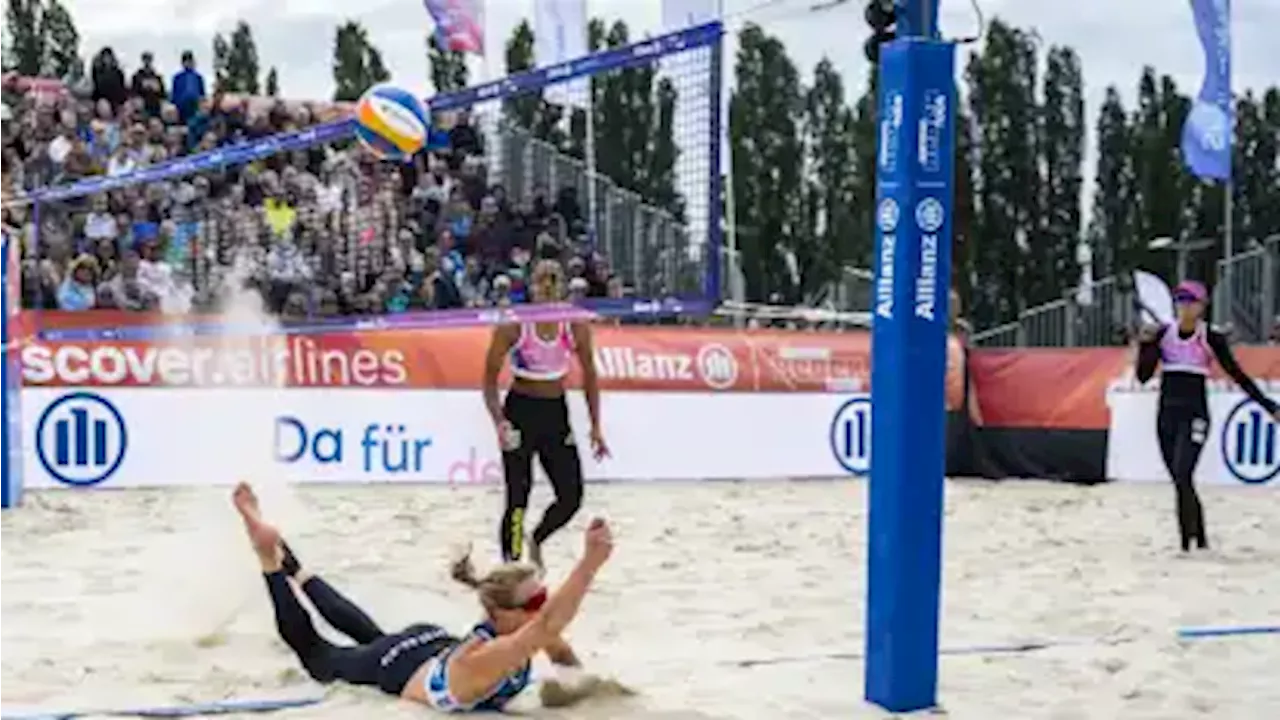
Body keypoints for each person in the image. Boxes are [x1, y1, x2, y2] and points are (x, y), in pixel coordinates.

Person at [231, 482, 612, 712]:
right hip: (400, 665)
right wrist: (590, 564)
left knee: (373, 638)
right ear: (499, 612)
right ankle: (270, 558)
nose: (540, 607)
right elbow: (549, 625)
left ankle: (292, 563)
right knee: (317, 653)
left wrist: (577, 691)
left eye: (542, 597)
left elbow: (560, 651)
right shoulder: (486, 660)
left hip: (427, 647)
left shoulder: (520, 629)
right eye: (531, 603)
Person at [1136, 280, 1280, 552]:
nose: (1184, 306)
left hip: (1196, 414)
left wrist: (1269, 406)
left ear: (1202, 306)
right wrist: (1146, 345)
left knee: (1183, 472)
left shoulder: (1210, 337)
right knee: (1180, 480)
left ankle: (1186, 545)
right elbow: (1143, 377)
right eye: (1180, 300)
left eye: (1190, 301)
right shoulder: (1163, 333)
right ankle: (1198, 539)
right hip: (1166, 414)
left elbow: (1238, 376)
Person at [483, 258, 608, 567]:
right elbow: (488, 380)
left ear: (562, 286)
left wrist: (596, 426)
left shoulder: (575, 324)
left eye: (554, 279)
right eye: (541, 280)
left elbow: (590, 375)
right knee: (517, 498)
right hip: (520, 411)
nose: (548, 285)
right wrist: (500, 422)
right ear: (532, 286)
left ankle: (537, 538)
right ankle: (511, 566)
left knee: (571, 497)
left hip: (555, 413)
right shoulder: (513, 324)